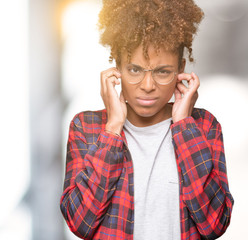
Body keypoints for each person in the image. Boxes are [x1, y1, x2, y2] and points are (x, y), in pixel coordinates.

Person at [59, 0, 234, 239]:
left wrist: (183, 127)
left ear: (180, 70)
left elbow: (214, 224)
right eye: (134, 70)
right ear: (117, 68)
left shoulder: (204, 127)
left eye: (162, 71)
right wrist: (112, 129)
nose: (148, 86)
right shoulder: (86, 128)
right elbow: (80, 222)